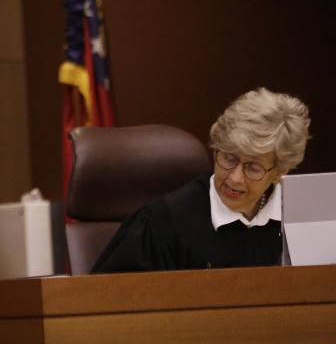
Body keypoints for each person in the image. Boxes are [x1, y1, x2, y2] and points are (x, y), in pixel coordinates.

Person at [92, 88, 310, 273]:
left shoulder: (304, 220)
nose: (234, 178)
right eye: (229, 158)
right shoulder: (161, 225)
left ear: (280, 171)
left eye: (253, 168)